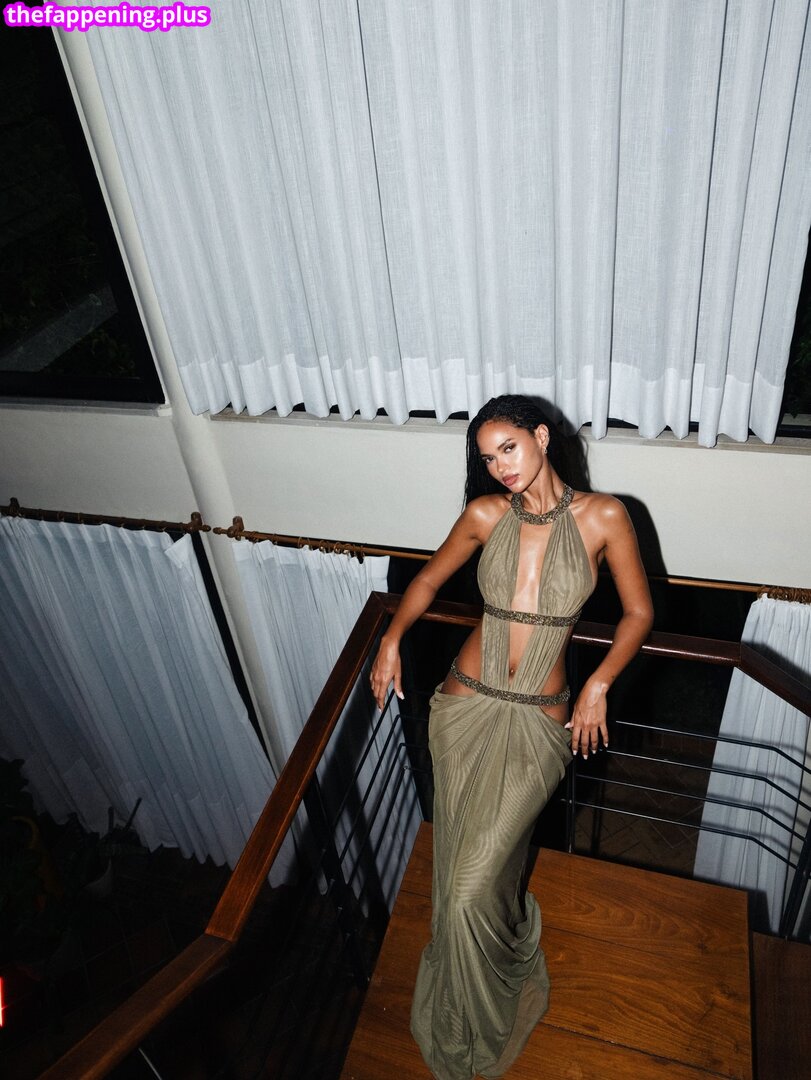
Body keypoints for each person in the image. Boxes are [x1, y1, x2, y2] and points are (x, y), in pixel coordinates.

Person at [370, 395, 653, 1080]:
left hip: (540, 718)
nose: (500, 466)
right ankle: (464, 977)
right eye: (487, 457)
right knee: (457, 856)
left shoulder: (605, 516)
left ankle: (490, 975)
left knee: (474, 881)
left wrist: (598, 683)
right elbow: (427, 578)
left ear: (541, 436)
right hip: (462, 707)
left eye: (508, 448)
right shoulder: (484, 515)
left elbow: (639, 613)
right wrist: (391, 638)